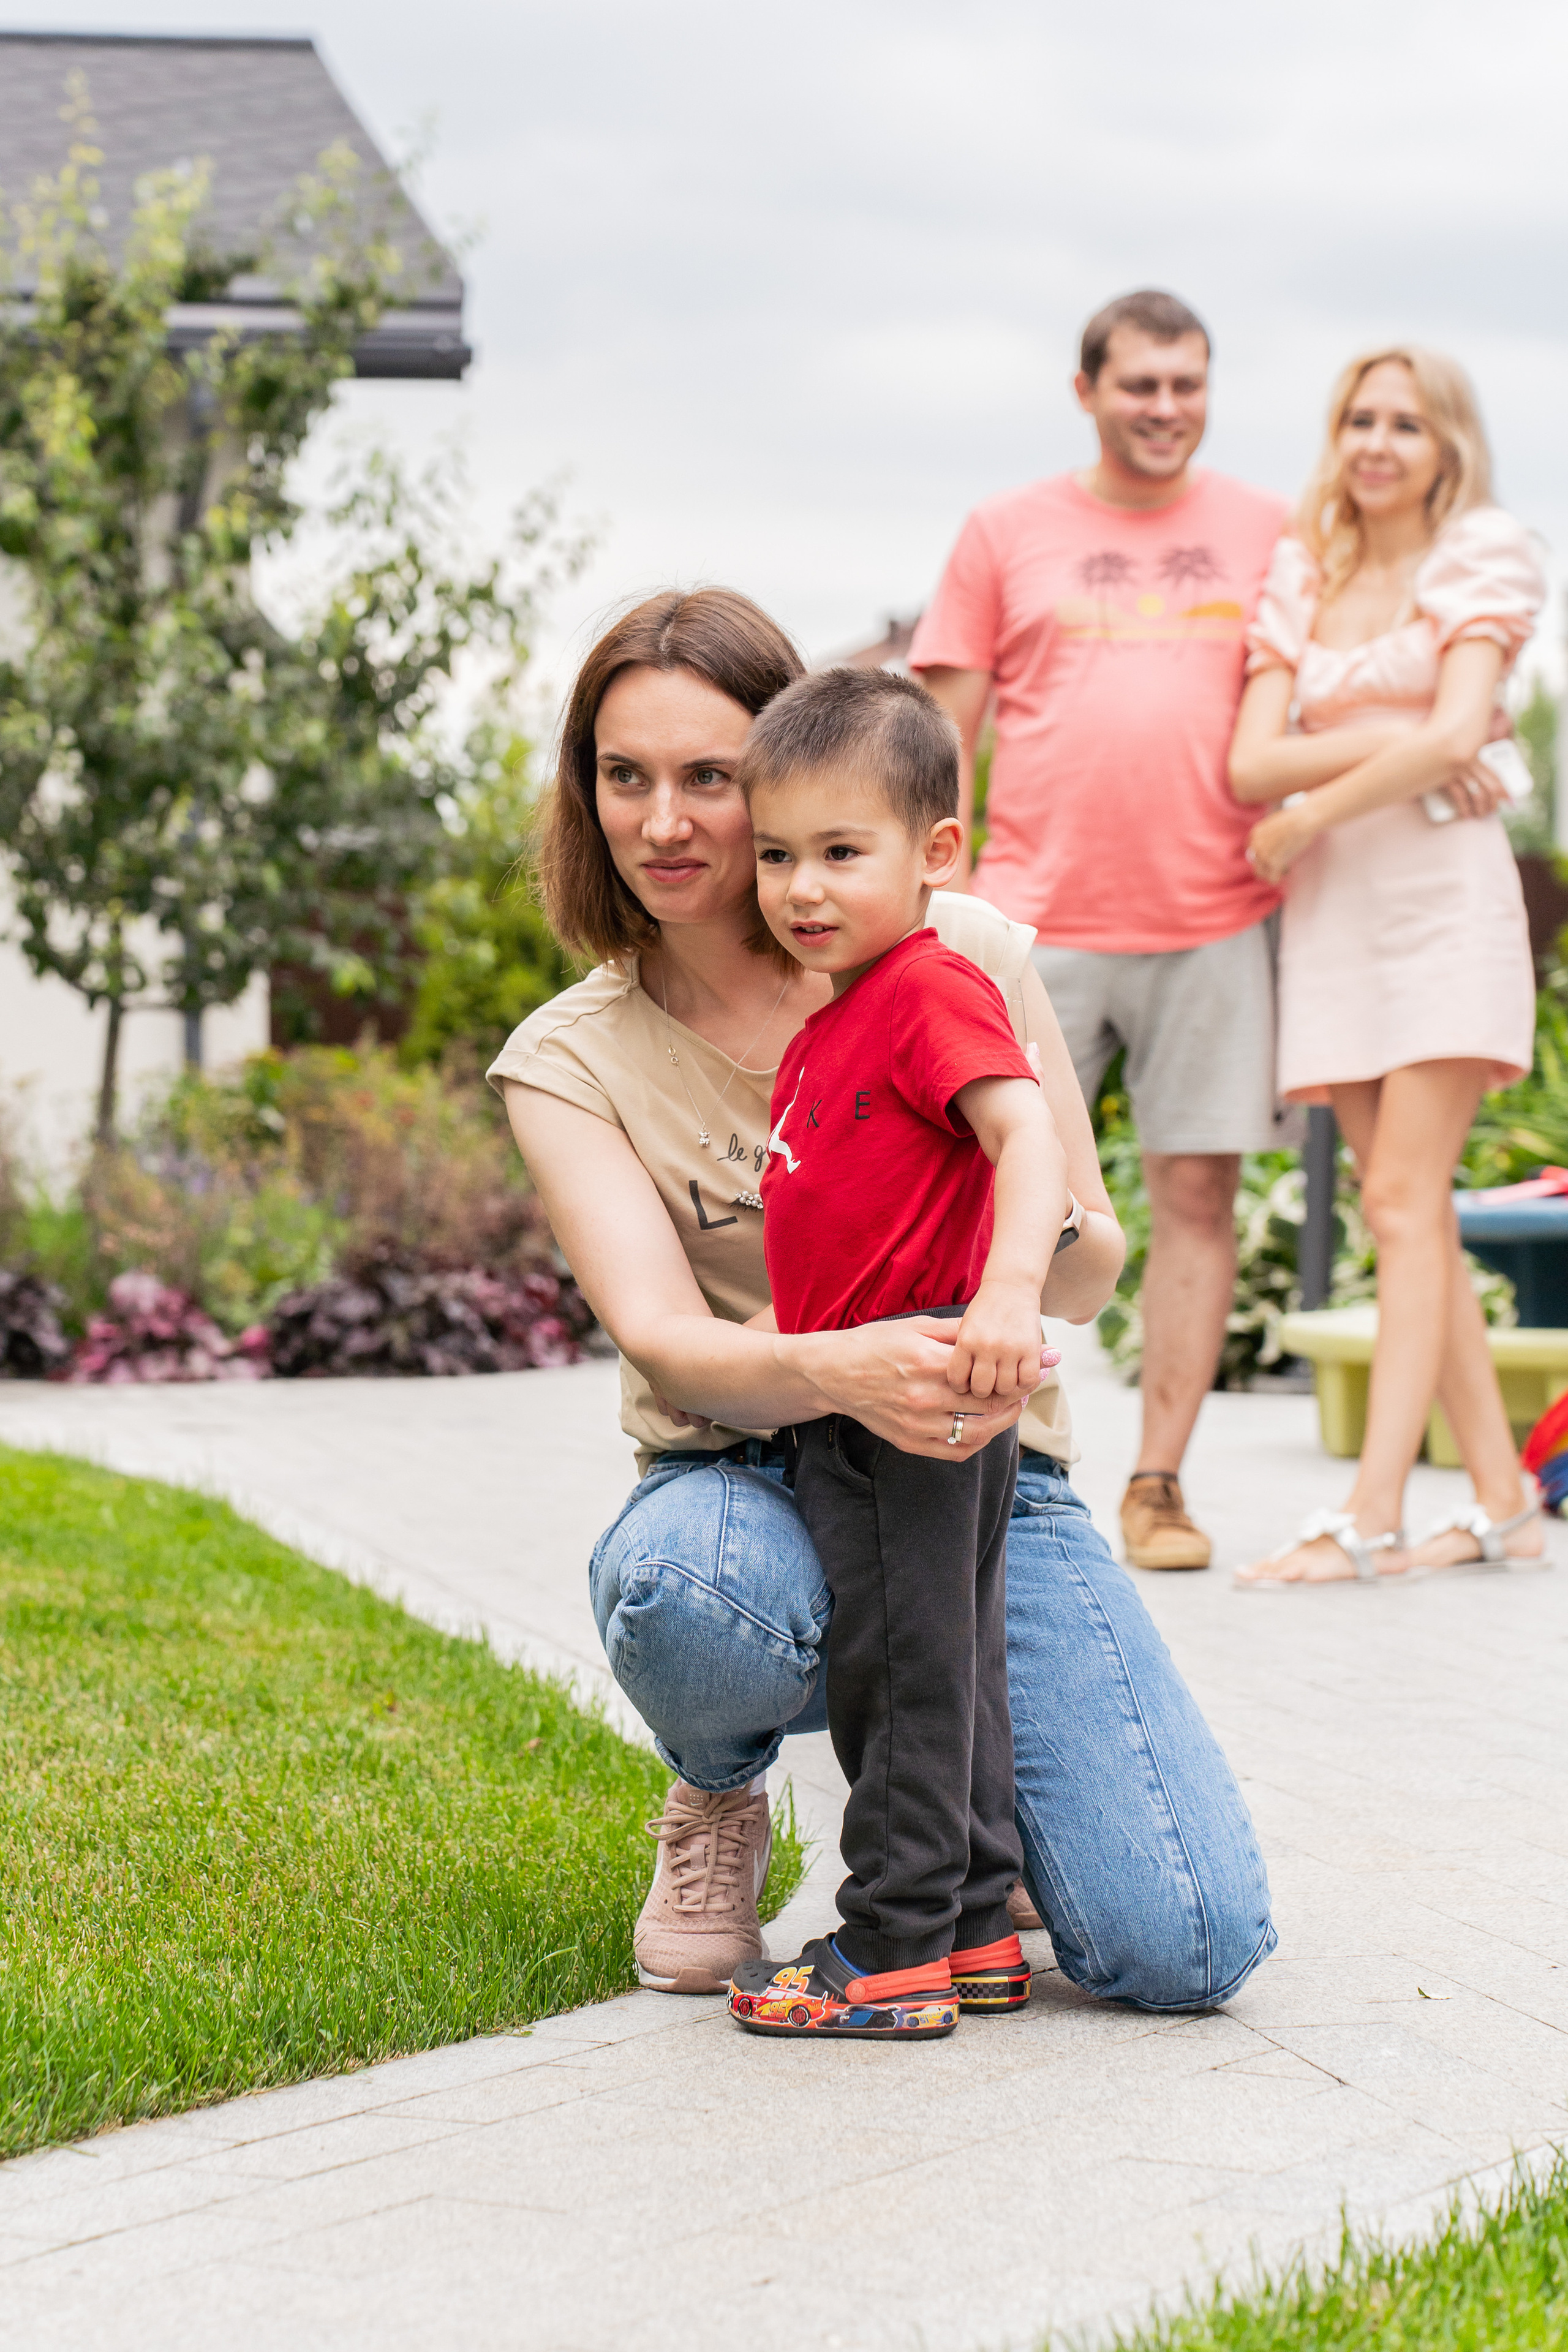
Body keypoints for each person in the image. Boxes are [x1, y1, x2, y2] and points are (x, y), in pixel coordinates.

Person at [488, 586, 1275, 2011]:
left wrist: (1015, 1277)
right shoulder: (571, 1054)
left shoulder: (950, 954)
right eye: (624, 776)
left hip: (979, 1462)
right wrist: (849, 1362)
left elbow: (1084, 1244)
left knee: (1184, 1942)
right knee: (694, 1597)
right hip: (740, 1470)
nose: (663, 821)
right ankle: (721, 1789)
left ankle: (979, 1857)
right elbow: (666, 1341)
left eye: (708, 779)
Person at [911, 289, 1289, 1574]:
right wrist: (930, 915)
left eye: (1187, 384)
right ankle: (982, 1463)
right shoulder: (1003, 532)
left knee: (1196, 1195)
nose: (1165, 409)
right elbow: (935, 742)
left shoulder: (1266, 531)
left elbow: (1324, 694)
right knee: (988, 1193)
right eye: (1139, 385)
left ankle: (1158, 1487)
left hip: (1213, 919)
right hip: (1030, 926)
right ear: (1086, 391)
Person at [725, 668, 1066, 2040]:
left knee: (899, 1670)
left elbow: (1027, 1138)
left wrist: (1008, 1295)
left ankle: (890, 1946)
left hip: (915, 1405)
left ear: (935, 854)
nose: (801, 888)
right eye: (776, 856)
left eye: (838, 853)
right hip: (854, 1400)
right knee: (944, 1652)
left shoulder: (929, 990)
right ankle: (976, 1924)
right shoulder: (828, 1022)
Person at [1229, 348, 1548, 1586]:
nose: (1374, 442)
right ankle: (1505, 1501)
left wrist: (1319, 801)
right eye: (1356, 418)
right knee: (1400, 1215)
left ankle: (1366, 1514)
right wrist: (1399, 740)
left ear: (1443, 444)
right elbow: (1248, 762)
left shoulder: (1481, 553)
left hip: (1437, 907)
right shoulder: (1303, 570)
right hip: (1336, 922)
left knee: (1403, 1206)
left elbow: (1464, 731)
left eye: (1403, 424)